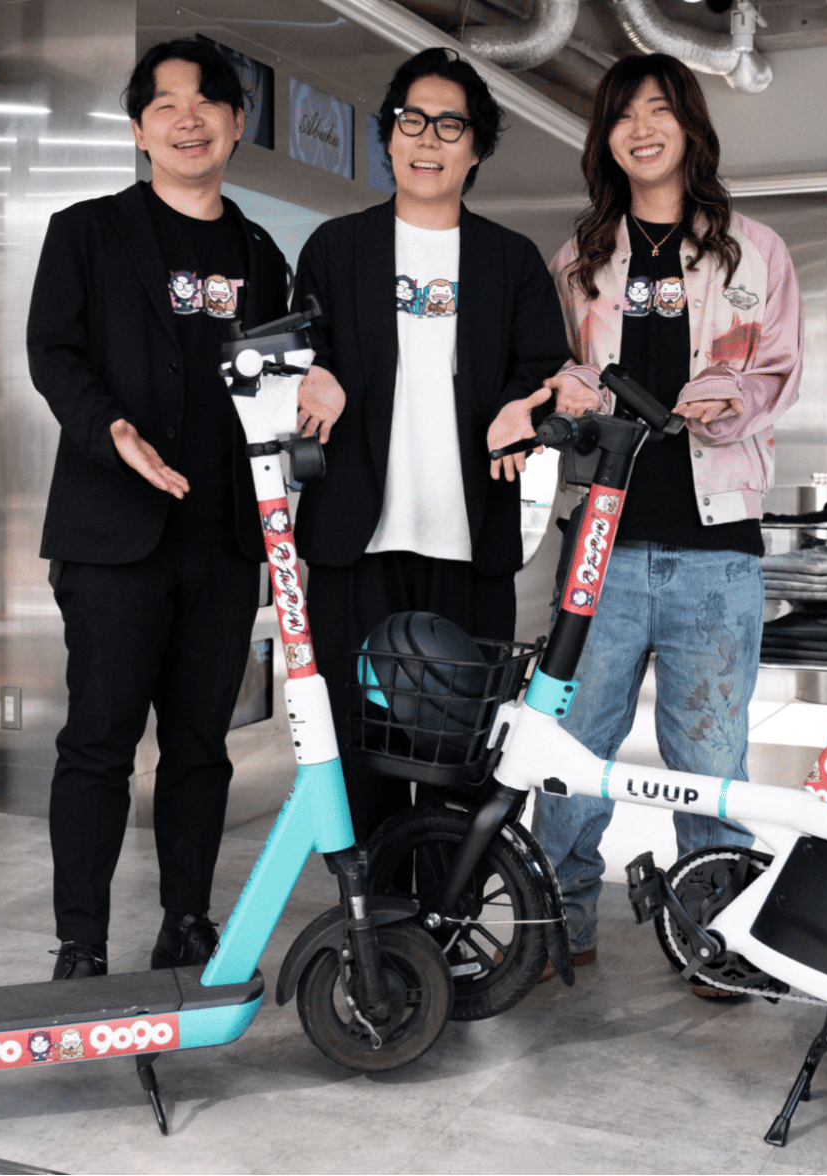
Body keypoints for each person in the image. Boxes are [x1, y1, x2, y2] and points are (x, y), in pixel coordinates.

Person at [530, 53, 803, 990]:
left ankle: (713, 937)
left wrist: (729, 397)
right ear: (604, 138)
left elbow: (778, 371)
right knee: (571, 750)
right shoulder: (577, 260)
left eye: (658, 111)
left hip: (715, 550)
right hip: (598, 545)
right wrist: (567, 389)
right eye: (621, 116)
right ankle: (556, 924)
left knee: (709, 762)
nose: (641, 130)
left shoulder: (753, 251)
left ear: (689, 126)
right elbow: (555, 369)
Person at [25, 39, 291, 980]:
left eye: (208, 101)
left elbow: (276, 379)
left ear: (236, 123)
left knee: (199, 746)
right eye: (166, 104)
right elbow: (54, 353)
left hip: (221, 539)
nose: (188, 118)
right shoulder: (87, 232)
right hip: (113, 536)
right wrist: (113, 431)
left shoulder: (260, 253)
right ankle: (81, 942)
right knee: (98, 742)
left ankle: (186, 919)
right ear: (139, 130)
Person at [289, 47, 569, 841]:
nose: (427, 139)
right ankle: (370, 905)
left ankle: (447, 907)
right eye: (411, 120)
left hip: (468, 543)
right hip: (356, 543)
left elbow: (541, 369)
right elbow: (299, 348)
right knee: (359, 745)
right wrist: (312, 371)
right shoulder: (335, 248)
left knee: (460, 751)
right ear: (387, 136)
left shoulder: (509, 260)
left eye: (450, 125)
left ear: (475, 148)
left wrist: (519, 406)